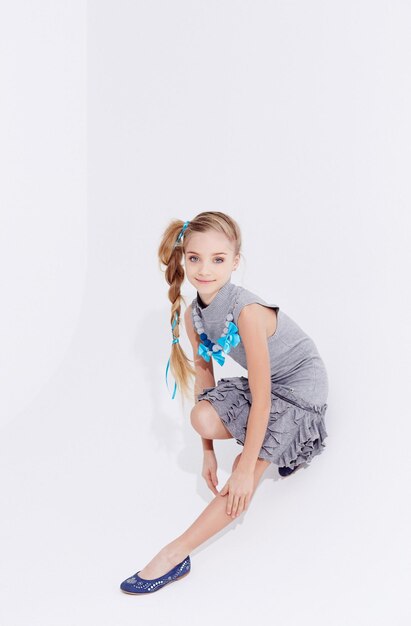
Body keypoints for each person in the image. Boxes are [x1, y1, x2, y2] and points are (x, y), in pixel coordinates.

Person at [120, 210, 329, 594]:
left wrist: (248, 466)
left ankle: (174, 554)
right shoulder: (193, 316)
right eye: (195, 258)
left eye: (218, 259)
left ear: (235, 262)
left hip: (299, 388)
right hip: (267, 387)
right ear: (184, 258)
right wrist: (208, 453)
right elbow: (205, 381)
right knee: (202, 416)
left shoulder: (247, 312)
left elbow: (263, 395)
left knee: (242, 478)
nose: (205, 269)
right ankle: (276, 448)